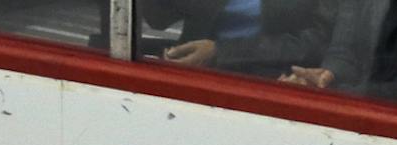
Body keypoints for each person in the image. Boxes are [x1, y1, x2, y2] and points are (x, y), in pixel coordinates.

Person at [142, 0, 339, 76]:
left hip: (274, 83)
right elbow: (158, 18)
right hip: (191, 71)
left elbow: (319, 44)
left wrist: (222, 51)